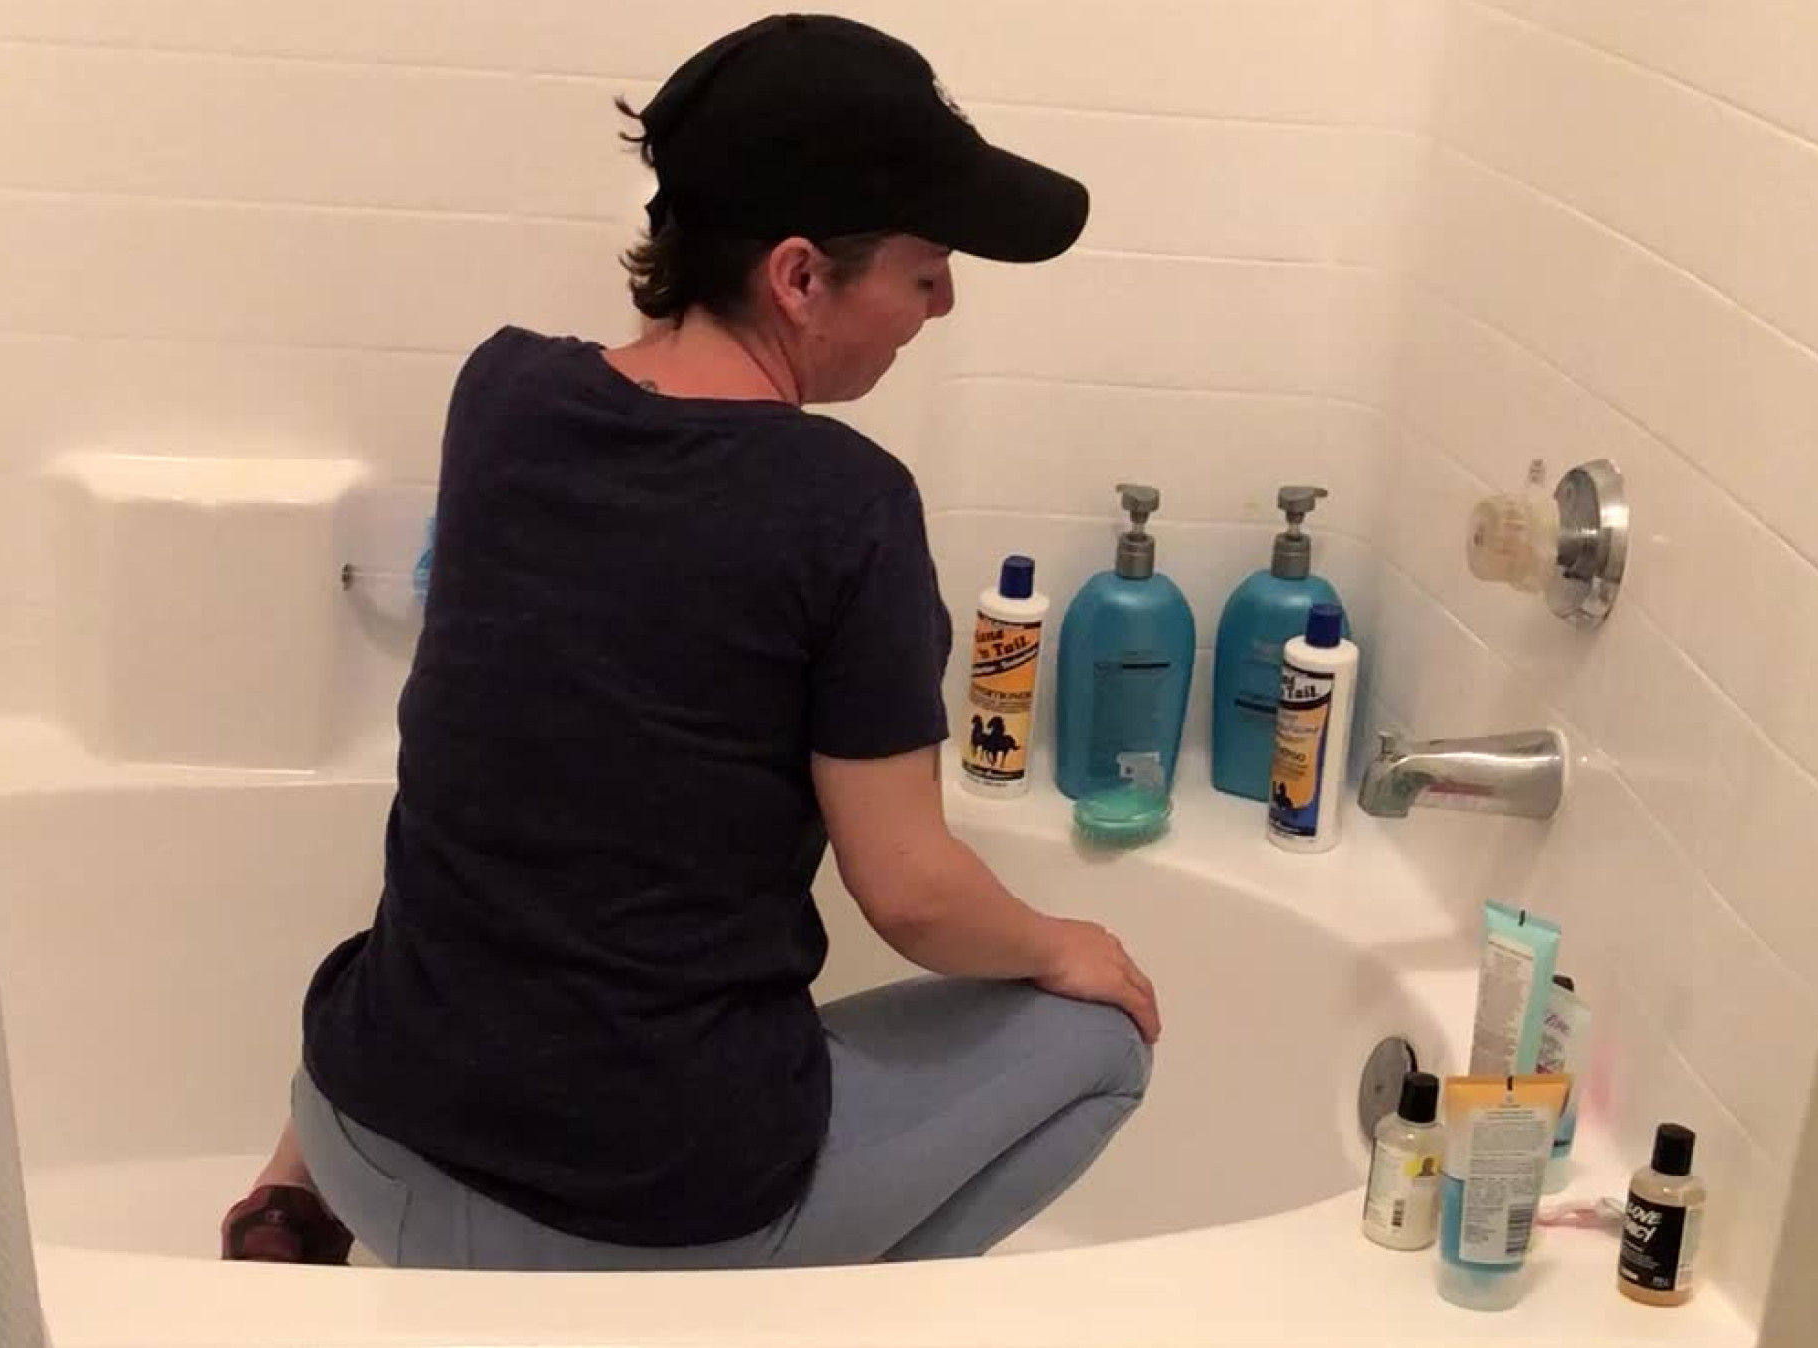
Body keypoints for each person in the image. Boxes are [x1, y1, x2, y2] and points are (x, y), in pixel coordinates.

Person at [218, 13, 1159, 1271]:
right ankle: (736, 1312)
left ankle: (288, 1196)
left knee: (484, 859)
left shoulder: (502, 392)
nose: (943, 301)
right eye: (925, 266)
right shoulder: (847, 507)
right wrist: (1061, 943)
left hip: (363, 1124)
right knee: (1103, 1039)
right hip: (626, 1208)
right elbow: (911, 892)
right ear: (799, 277)